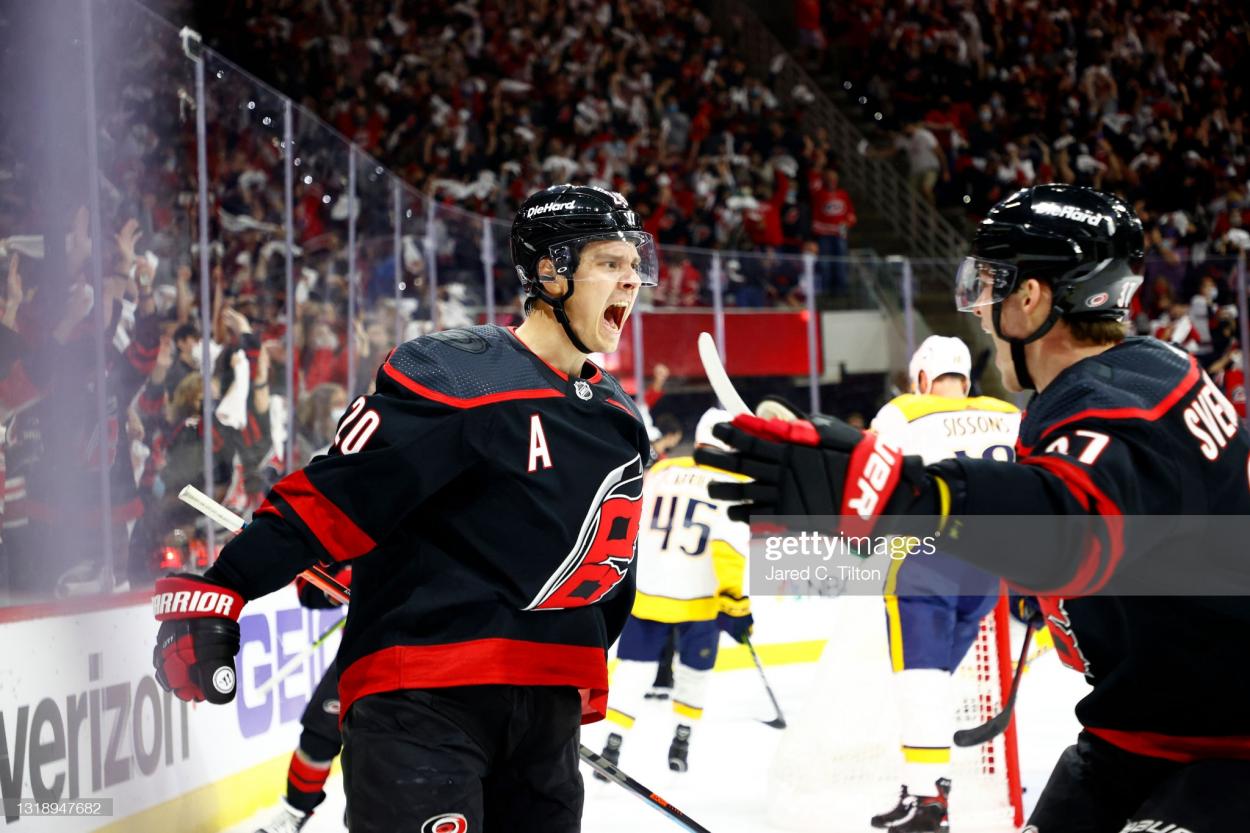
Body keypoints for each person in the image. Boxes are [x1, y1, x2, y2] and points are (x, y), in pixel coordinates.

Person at [697, 184, 1250, 833]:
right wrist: (836, 449)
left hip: (1224, 745)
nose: (982, 312)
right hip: (1138, 729)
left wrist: (889, 491)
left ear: (1031, 297)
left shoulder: (1118, 409)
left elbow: (1066, 522)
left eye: (991, 286)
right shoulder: (1149, 370)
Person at [151, 184, 658, 832]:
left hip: (546, 712)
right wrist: (229, 583)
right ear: (552, 270)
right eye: (610, 263)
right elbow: (339, 492)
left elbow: (602, 578)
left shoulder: (618, 421)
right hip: (424, 699)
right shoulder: (461, 373)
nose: (630, 281)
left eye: (635, 267)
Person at [866, 336, 1020, 832]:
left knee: (919, 684)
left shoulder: (903, 411)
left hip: (924, 562)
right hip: (986, 572)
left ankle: (930, 803)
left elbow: (870, 481)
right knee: (935, 685)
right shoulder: (1006, 413)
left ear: (923, 379)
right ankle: (921, 787)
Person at [599, 408, 753, 774]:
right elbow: (728, 549)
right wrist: (736, 603)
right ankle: (682, 740)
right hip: (698, 600)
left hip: (649, 591)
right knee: (694, 671)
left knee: (633, 670)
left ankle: (613, 745)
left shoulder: (665, 470)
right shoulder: (734, 482)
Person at [254, 565, 351, 833]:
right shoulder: (368, 528)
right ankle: (294, 812)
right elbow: (308, 589)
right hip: (363, 655)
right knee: (318, 734)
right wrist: (350, 577)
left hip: (434, 659)